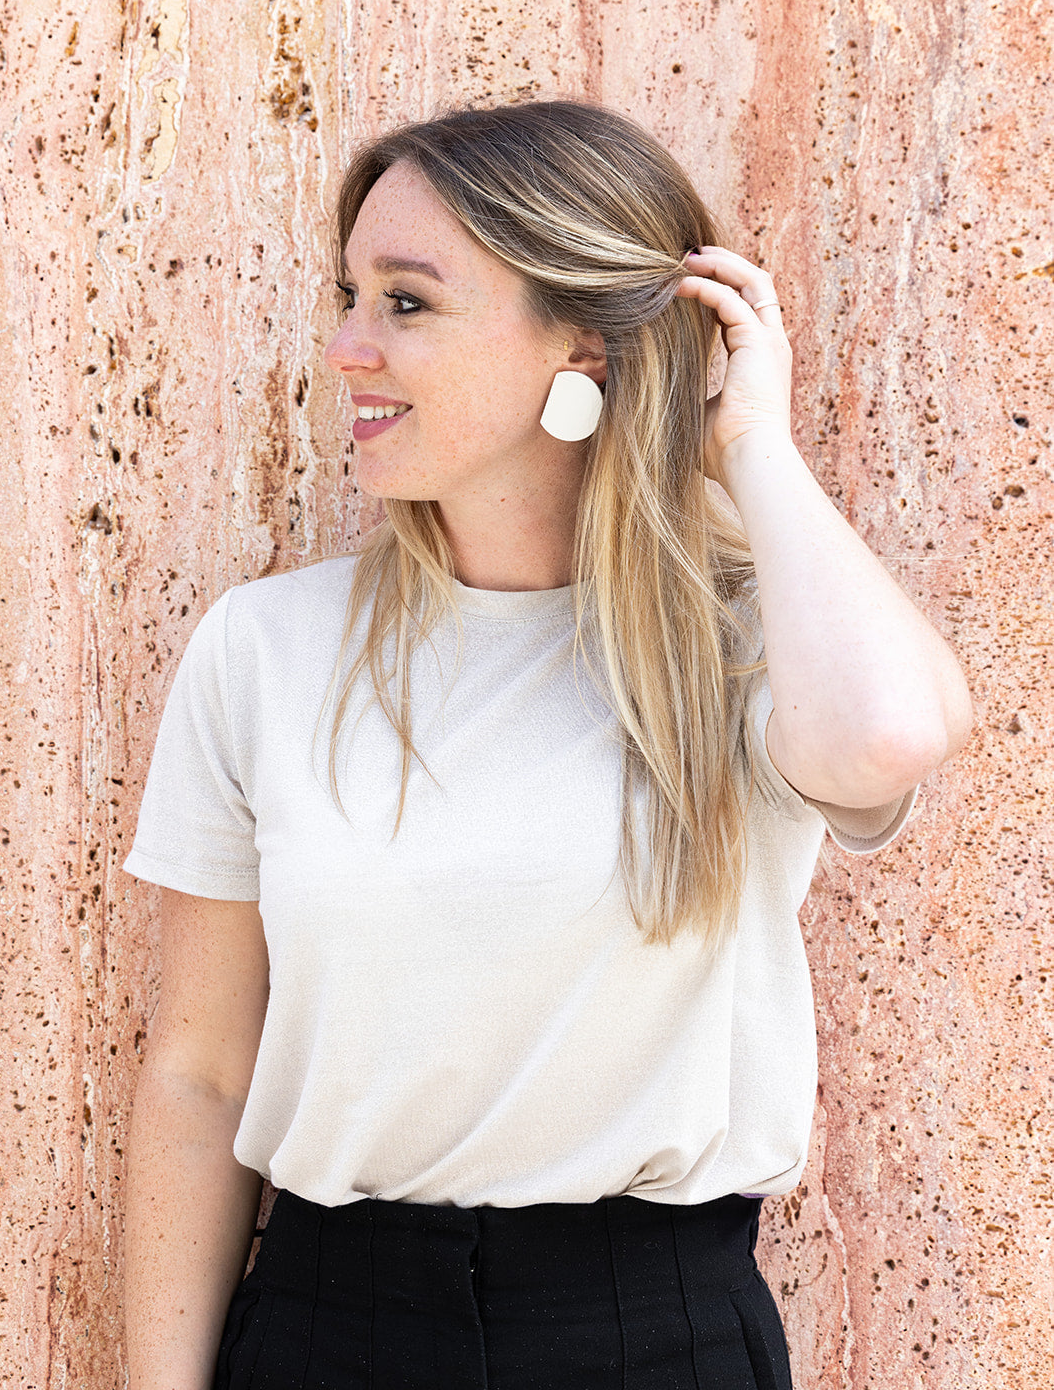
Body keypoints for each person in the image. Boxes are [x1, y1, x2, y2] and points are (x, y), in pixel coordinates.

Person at [122, 100, 972, 1390]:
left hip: (652, 1332)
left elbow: (890, 734)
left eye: (408, 303)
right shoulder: (267, 650)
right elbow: (201, 1079)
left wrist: (748, 442)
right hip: (329, 1328)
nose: (346, 347)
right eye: (349, 296)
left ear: (581, 342)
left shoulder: (746, 646)